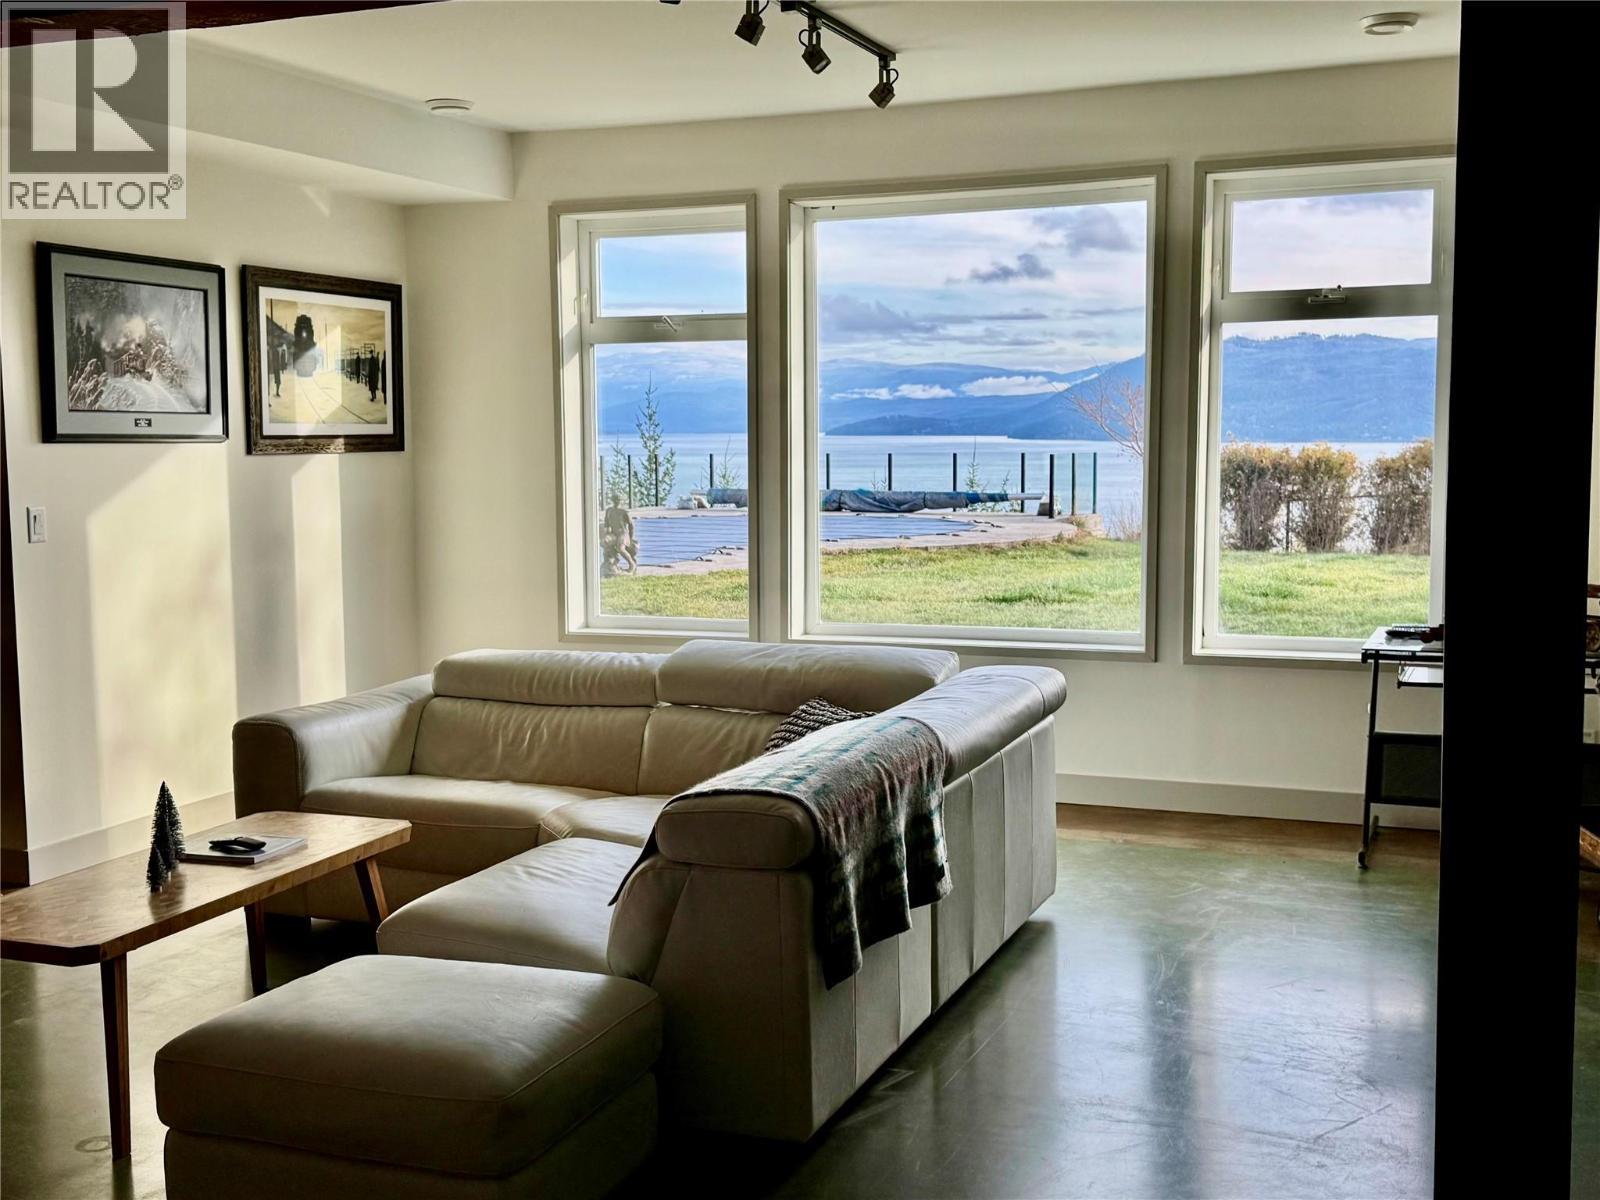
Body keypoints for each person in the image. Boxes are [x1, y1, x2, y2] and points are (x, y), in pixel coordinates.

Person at [600, 493, 638, 577]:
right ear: (613, 500)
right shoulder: (609, 510)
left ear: (621, 501)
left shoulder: (624, 512)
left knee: (620, 548)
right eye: (615, 500)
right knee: (605, 542)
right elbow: (606, 523)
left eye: (619, 500)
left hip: (623, 534)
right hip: (613, 533)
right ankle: (610, 564)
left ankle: (632, 564)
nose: (617, 502)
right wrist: (607, 533)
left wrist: (630, 538)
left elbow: (631, 526)